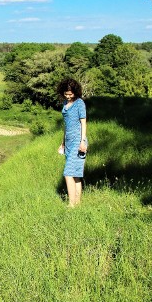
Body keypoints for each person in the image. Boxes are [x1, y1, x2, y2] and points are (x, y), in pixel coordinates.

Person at [57, 78, 87, 207]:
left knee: (68, 173)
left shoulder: (80, 103)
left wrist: (82, 142)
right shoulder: (65, 103)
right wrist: (62, 143)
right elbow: (66, 125)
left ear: (75, 92)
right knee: (75, 175)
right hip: (68, 142)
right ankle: (77, 203)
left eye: (70, 94)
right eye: (66, 94)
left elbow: (83, 123)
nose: (68, 96)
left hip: (77, 141)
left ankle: (71, 205)